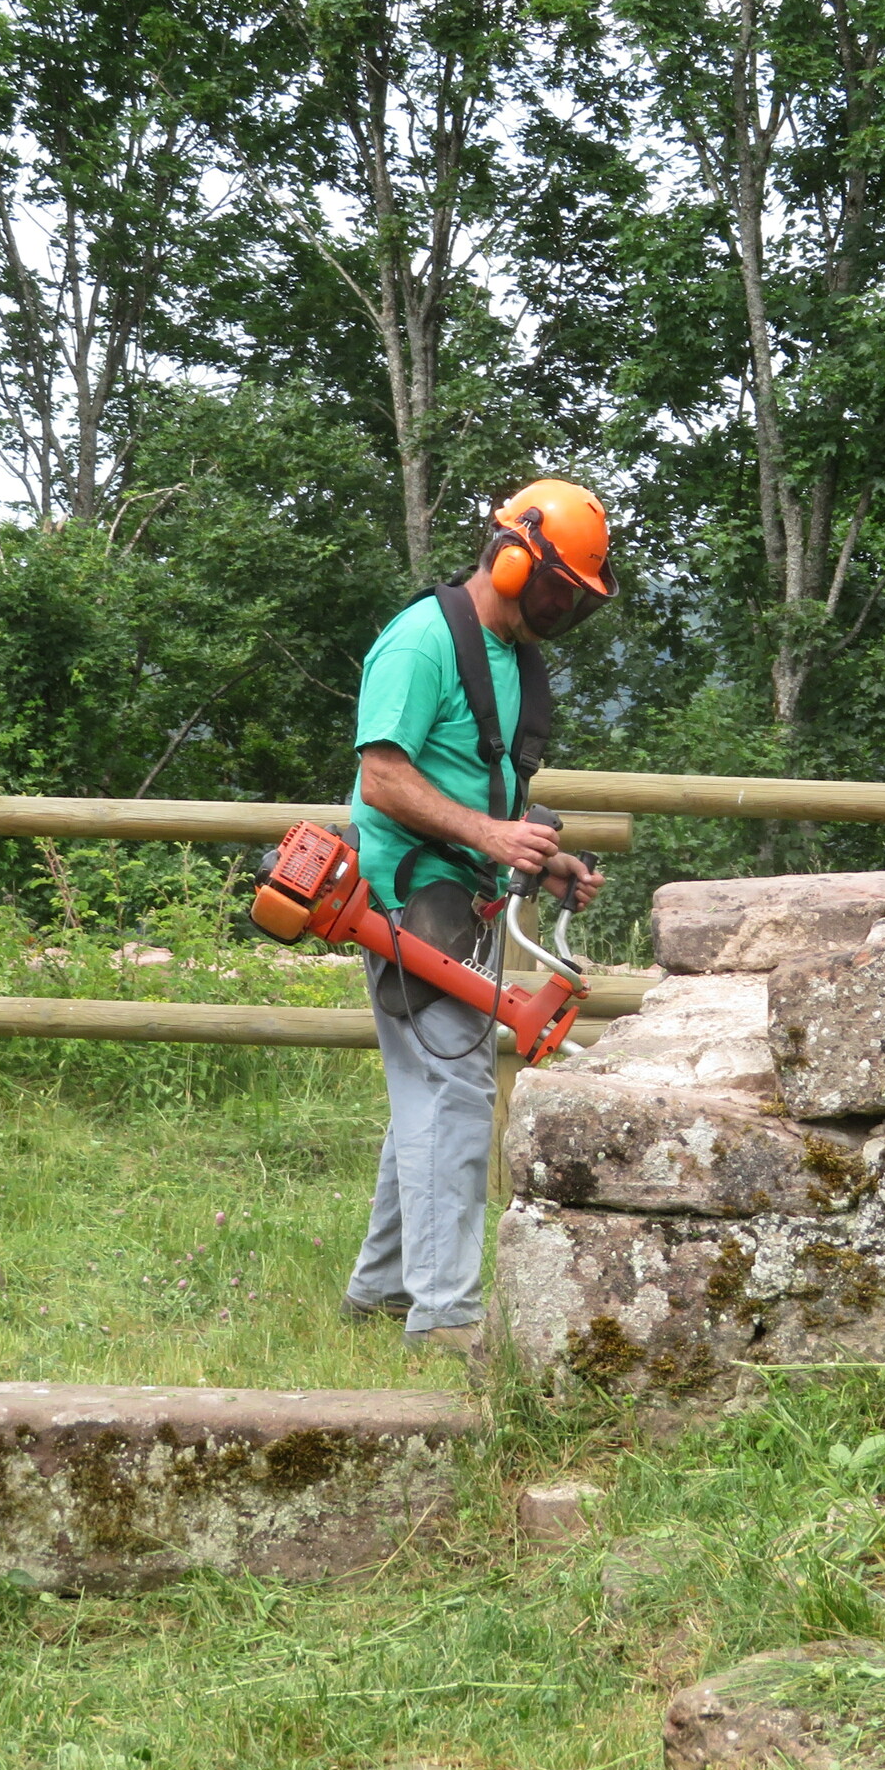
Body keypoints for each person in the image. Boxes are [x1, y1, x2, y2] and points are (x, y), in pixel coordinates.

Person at [341, 479, 617, 1359]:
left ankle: (384, 1288)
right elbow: (384, 778)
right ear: (511, 560)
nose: (562, 612)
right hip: (409, 892)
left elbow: (477, 782)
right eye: (558, 591)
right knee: (453, 1091)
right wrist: (491, 836)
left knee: (431, 1087)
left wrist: (534, 853)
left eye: (575, 600)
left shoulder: (511, 655)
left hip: (468, 889)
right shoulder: (422, 640)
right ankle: (445, 1315)